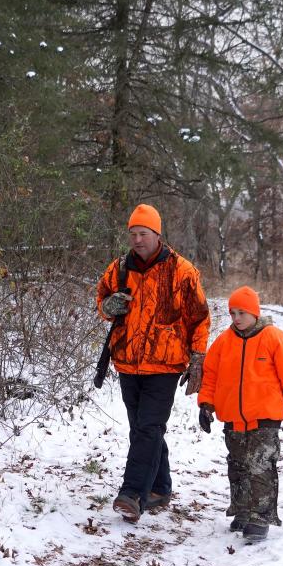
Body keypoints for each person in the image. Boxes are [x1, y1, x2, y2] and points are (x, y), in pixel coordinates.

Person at [96, 203, 210, 522]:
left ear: (157, 234)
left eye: (142, 234)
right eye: (132, 234)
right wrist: (109, 306)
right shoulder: (119, 269)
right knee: (142, 428)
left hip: (166, 365)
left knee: (148, 427)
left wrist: (198, 357)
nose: (136, 240)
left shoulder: (181, 271)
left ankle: (133, 494)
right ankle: (160, 487)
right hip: (127, 362)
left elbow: (200, 317)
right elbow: (102, 302)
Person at [196, 286, 283, 543]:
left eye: (242, 312)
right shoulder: (224, 342)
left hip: (265, 419)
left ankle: (260, 517)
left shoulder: (275, 338)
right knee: (238, 466)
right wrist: (206, 405)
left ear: (255, 312)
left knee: (260, 467)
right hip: (233, 419)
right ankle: (243, 510)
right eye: (232, 312)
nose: (236, 318)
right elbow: (211, 377)